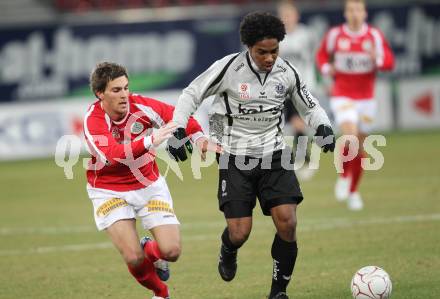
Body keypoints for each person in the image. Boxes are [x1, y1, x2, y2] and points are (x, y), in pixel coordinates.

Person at [167, 12, 335, 299]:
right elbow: (191, 94)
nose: (269, 58)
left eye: (274, 51)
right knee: (240, 232)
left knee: (288, 221)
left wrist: (323, 126)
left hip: (274, 154)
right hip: (234, 157)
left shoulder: (287, 72)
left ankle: (278, 291)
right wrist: (177, 129)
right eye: (262, 52)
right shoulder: (229, 69)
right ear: (248, 47)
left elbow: (309, 105)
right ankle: (228, 249)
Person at [83, 62, 217, 299]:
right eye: (116, 90)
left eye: (126, 87)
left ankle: (150, 250)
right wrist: (152, 139)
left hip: (148, 186)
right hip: (108, 190)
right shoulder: (93, 119)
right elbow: (113, 155)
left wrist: (198, 140)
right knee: (133, 257)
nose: (124, 94)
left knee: (172, 251)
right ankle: (161, 293)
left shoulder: (141, 105)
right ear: (100, 93)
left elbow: (179, 116)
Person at [316, 0, 394, 210]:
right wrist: (326, 69)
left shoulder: (374, 36)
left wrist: (377, 60)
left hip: (367, 99)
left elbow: (389, 62)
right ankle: (343, 176)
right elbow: (322, 55)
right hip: (343, 94)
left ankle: (353, 192)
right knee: (349, 136)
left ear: (365, 13)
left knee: (359, 147)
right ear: (345, 13)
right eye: (351, 10)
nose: (355, 14)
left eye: (358, 9)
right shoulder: (335, 35)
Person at [277, 0, 319, 181]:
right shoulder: (276, 38)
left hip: (303, 86)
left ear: (297, 16)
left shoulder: (307, 35)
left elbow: (319, 57)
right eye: (283, 15)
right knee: (290, 124)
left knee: (297, 122)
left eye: (289, 15)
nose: (287, 19)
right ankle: (301, 158)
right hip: (282, 88)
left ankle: (303, 159)